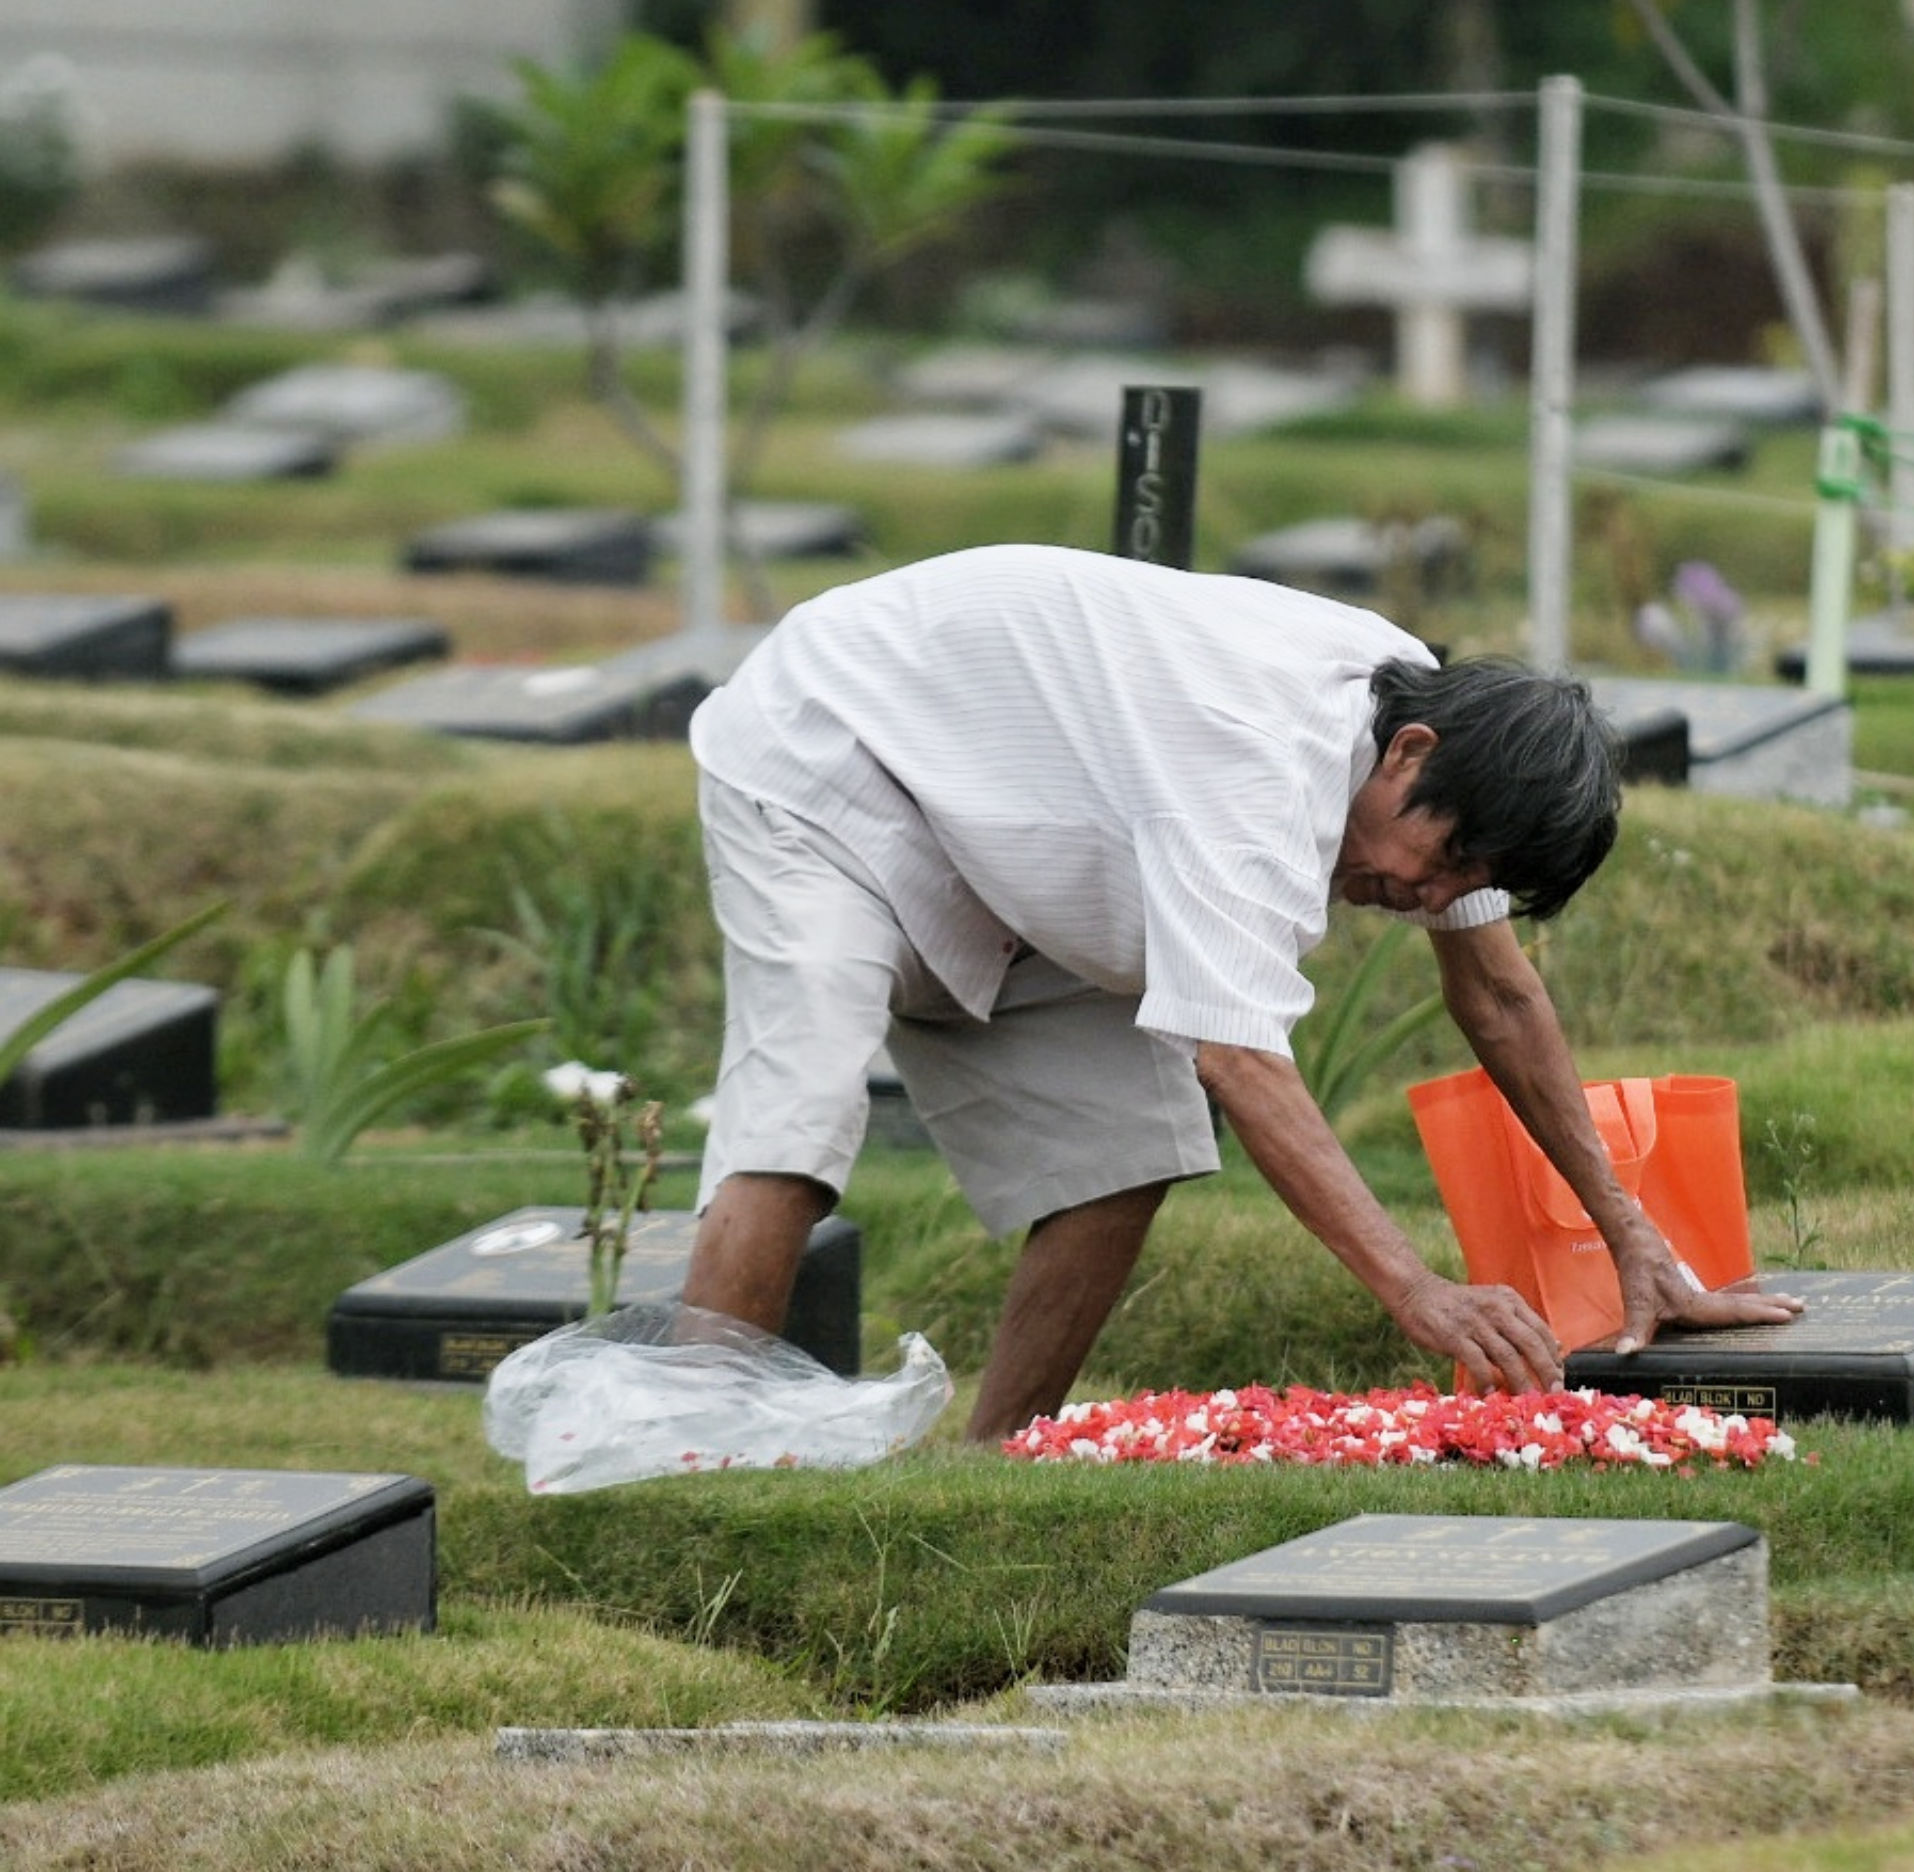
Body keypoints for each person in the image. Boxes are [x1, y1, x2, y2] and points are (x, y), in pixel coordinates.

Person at [677, 542, 1799, 1441]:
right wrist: (1419, 1292)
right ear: (1408, 755)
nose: (1428, 899)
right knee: (801, 1118)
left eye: (1470, 885)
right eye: (1445, 862)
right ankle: (683, 1458)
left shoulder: (1441, 738)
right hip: (836, 751)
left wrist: (1633, 1235)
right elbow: (1240, 1061)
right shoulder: (1258, 772)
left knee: (1127, 1149)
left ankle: (993, 1466)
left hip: (1019, 823)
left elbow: (1500, 996)